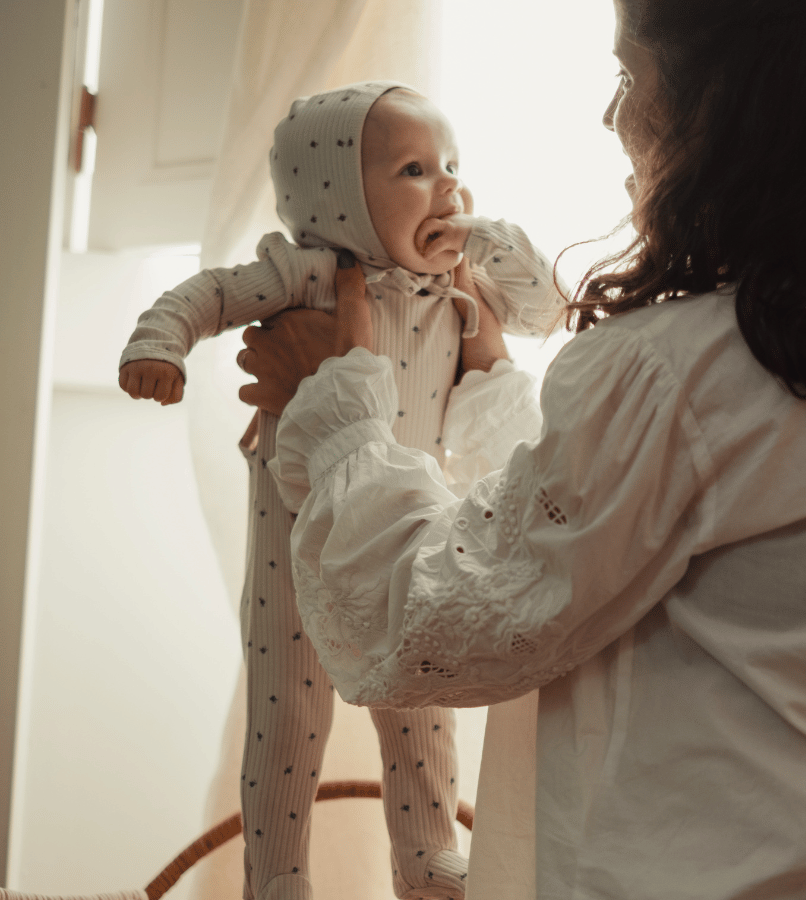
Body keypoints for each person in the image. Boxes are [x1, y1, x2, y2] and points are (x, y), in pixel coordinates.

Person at [242, 1, 806, 898]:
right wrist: (492, 379)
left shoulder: (683, 372)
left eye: (628, 78)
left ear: (735, 109)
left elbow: (425, 623)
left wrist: (336, 408)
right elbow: (591, 537)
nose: (610, 119)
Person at [117, 81, 564, 900]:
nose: (450, 188)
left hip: (405, 514)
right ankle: (278, 875)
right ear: (339, 198)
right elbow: (208, 294)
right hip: (294, 524)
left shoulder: (460, 284)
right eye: (416, 170)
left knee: (419, 687)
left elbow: (548, 306)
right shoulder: (307, 273)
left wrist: (486, 236)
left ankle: (427, 854)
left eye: (454, 166)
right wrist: (160, 343)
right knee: (290, 711)